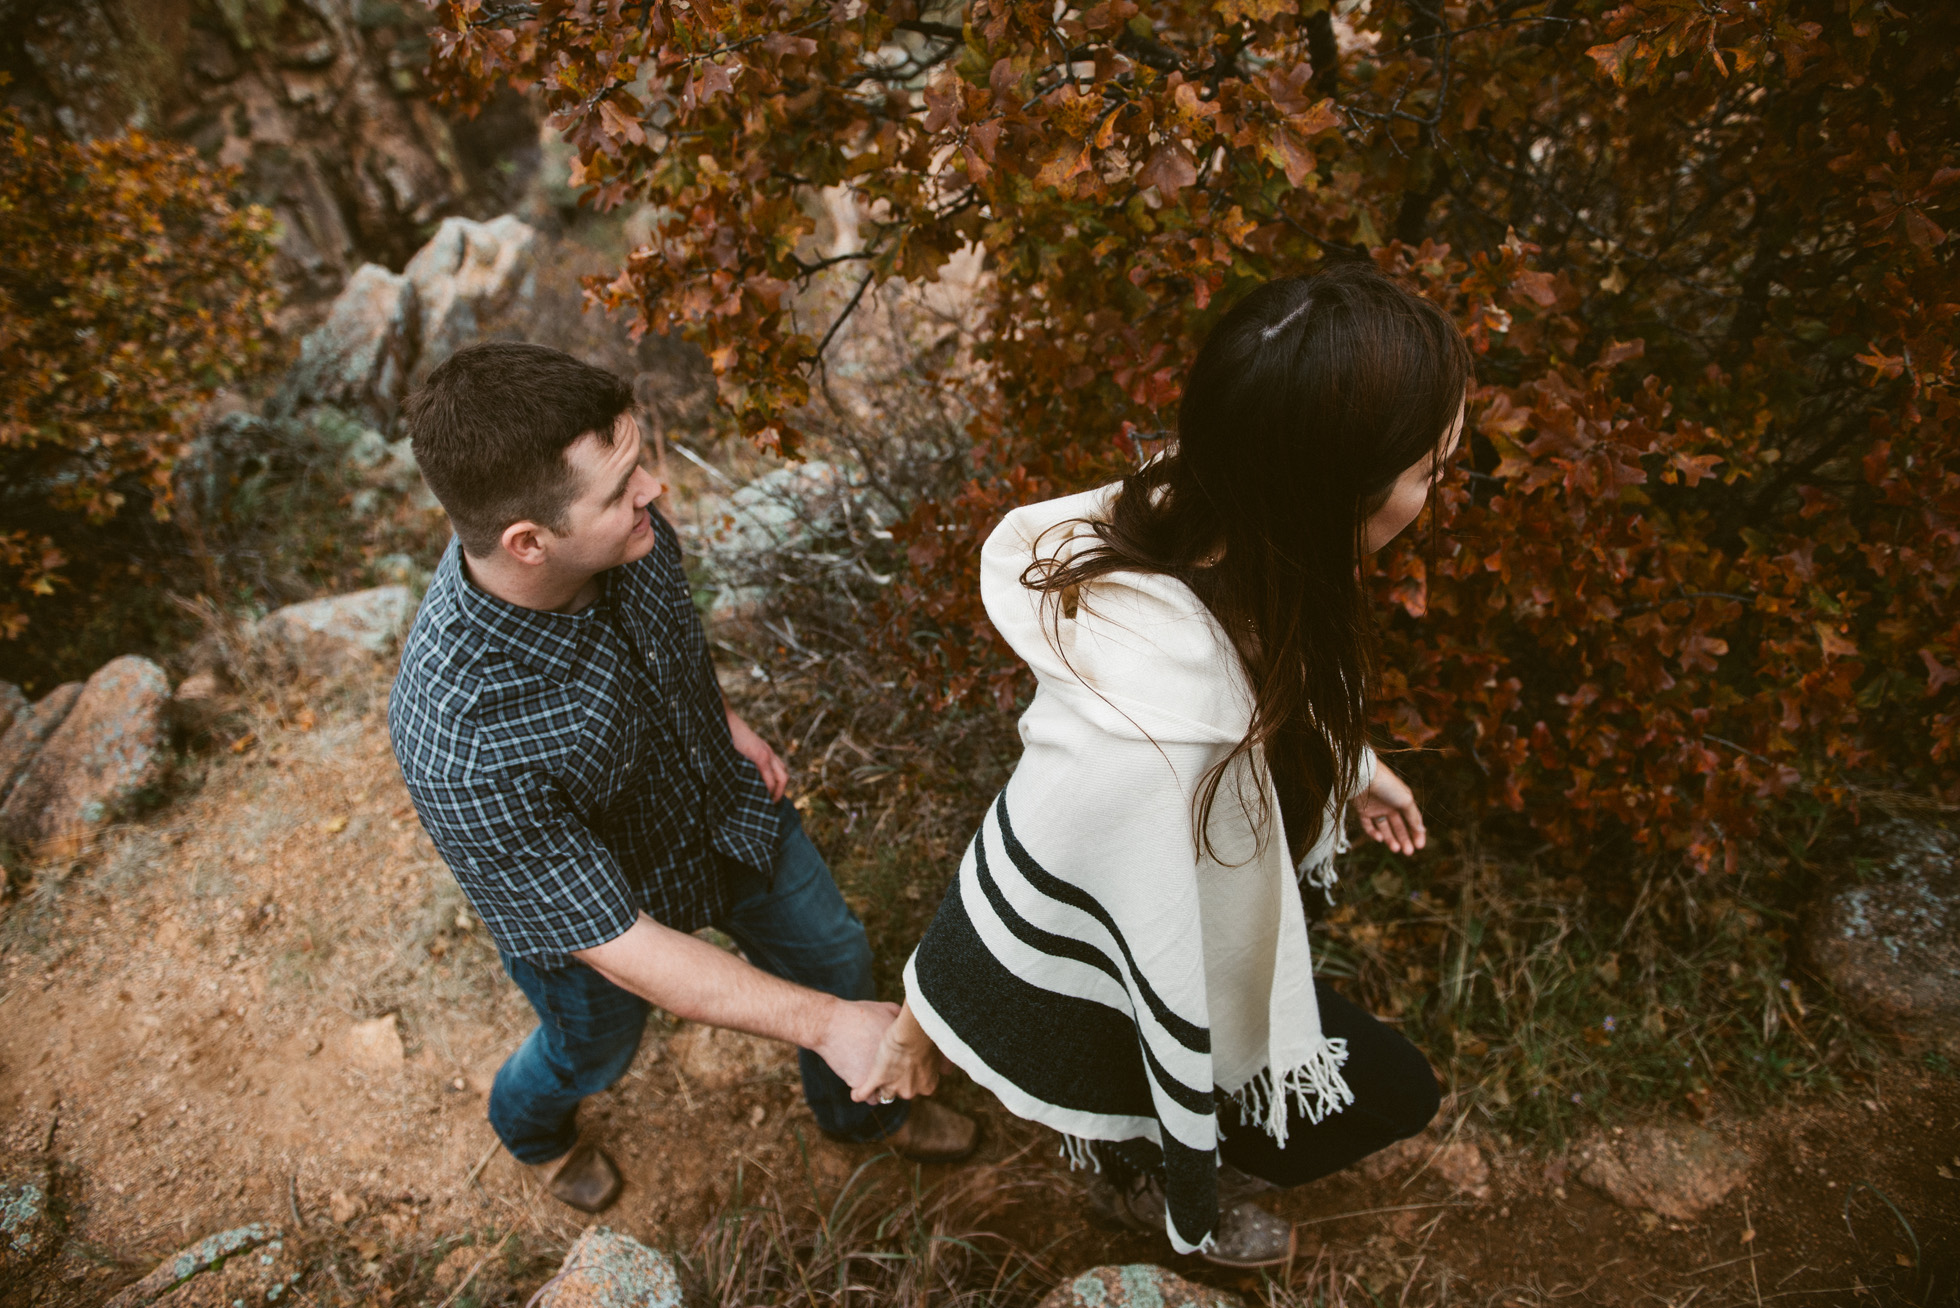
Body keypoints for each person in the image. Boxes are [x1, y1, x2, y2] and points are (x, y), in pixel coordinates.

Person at [852, 264, 1468, 1266]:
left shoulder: (1230, 508)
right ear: (1337, 495)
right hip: (1131, 970)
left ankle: (1150, 1142)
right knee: (1396, 1095)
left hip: (1191, 878)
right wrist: (918, 1028)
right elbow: (1027, 846)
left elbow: (1271, 676)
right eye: (1428, 471)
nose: (1437, 485)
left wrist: (1354, 767)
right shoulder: (1143, 737)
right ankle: (1146, 1175)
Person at [388, 342, 977, 1214]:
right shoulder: (461, 739)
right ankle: (534, 1135)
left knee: (838, 956)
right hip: (602, 917)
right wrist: (825, 1025)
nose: (653, 493)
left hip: (717, 805)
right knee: (589, 1053)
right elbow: (625, 946)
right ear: (529, 542)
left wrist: (723, 722)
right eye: (621, 488)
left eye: (638, 470)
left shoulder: (623, 529)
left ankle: (861, 1120)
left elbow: (671, 637)